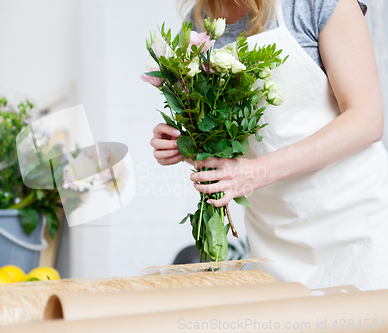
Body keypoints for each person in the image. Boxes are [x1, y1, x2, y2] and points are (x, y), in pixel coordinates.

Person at [150, 0, 388, 291]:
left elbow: (367, 119)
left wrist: (259, 172)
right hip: (274, 239)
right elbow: (225, 141)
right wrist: (187, 144)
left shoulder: (313, 4)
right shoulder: (200, 20)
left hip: (355, 224)